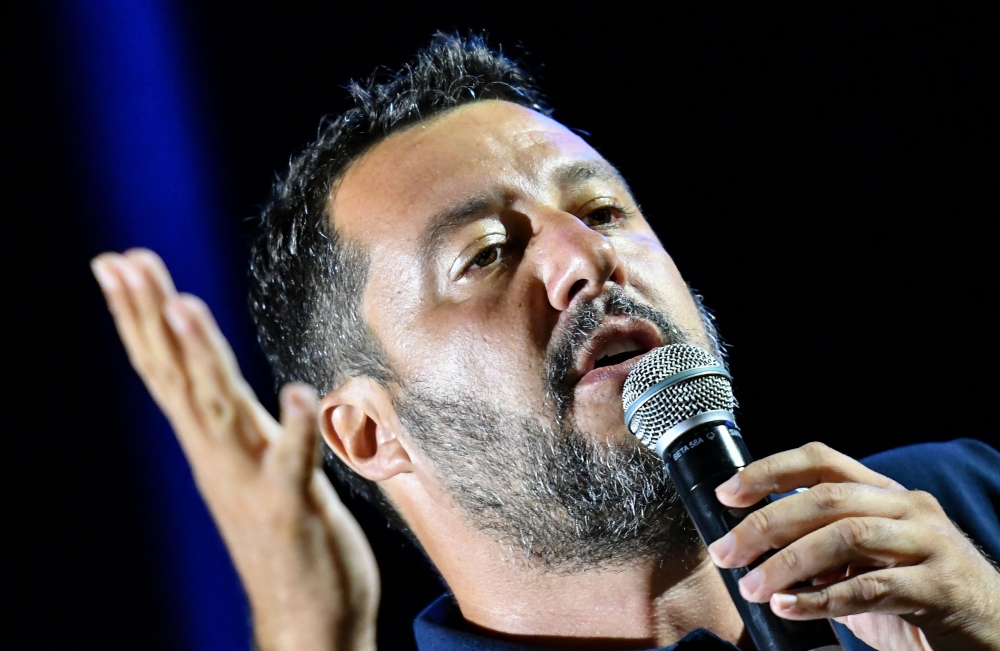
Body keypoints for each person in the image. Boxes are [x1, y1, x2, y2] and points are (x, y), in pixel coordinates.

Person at [89, 33, 1000, 651]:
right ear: (370, 435)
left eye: (602, 209)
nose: (585, 256)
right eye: (487, 253)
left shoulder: (965, 507)